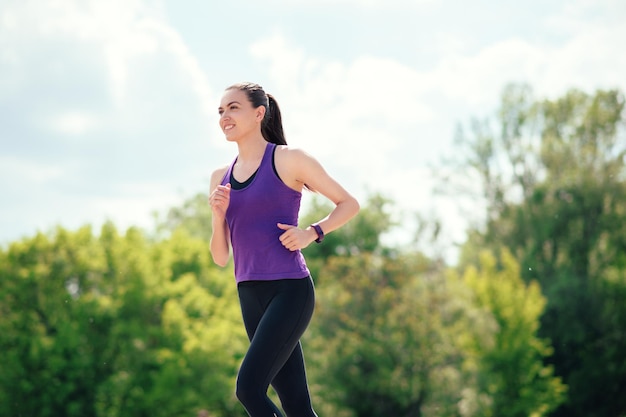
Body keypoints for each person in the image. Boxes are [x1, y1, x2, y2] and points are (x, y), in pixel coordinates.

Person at [208, 82, 360, 417]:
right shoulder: (221, 177)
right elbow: (221, 258)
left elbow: (349, 204)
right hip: (249, 294)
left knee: (248, 388)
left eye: (233, 107)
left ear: (258, 113)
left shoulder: (290, 160)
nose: (224, 116)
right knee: (298, 408)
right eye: (220, 111)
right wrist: (218, 216)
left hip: (290, 291)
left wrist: (312, 232)